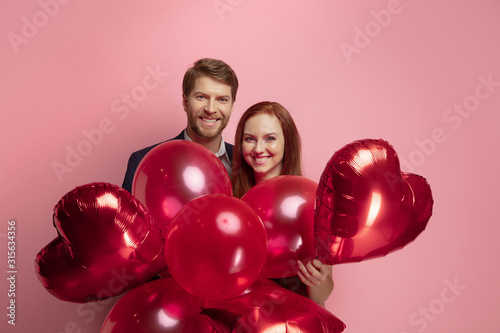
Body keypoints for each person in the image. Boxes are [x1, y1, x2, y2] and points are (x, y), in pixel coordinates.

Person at [231, 101, 334, 307]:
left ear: (287, 142)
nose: (258, 149)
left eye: (270, 138)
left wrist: (317, 280)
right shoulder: (232, 202)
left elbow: (322, 295)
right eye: (249, 139)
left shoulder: (309, 203)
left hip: (297, 320)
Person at [122, 58, 239, 192]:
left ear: (231, 107)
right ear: (185, 102)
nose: (211, 109)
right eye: (201, 97)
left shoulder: (247, 165)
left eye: (222, 100)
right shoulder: (142, 163)